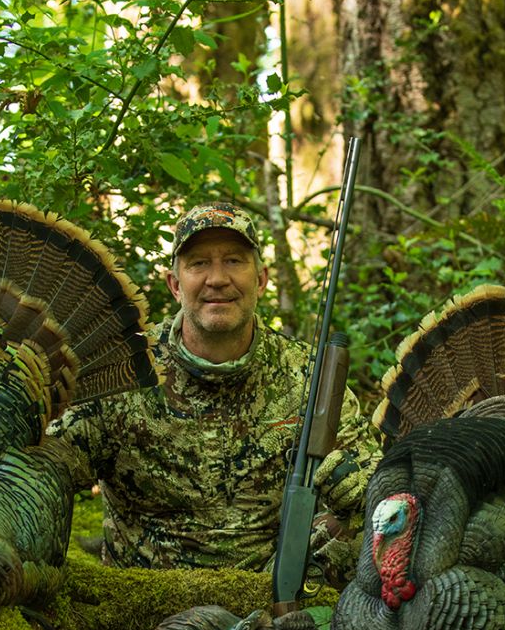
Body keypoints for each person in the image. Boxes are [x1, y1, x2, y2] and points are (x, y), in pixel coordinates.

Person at [49, 201, 379, 584]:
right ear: (175, 285)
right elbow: (50, 466)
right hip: (142, 609)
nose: (218, 279)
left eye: (235, 261)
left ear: (261, 279)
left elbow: (377, 486)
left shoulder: (309, 376)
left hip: (277, 606)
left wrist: (355, 483)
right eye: (199, 263)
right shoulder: (124, 370)